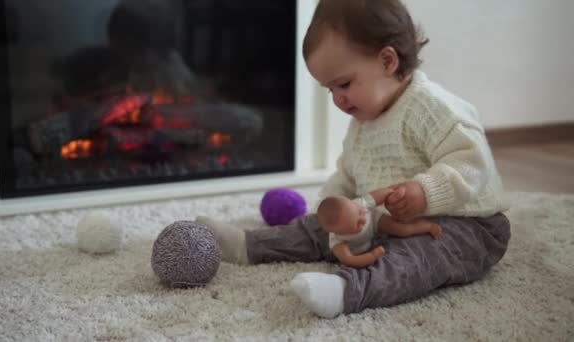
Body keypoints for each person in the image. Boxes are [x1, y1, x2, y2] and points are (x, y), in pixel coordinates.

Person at [196, 0, 510, 318]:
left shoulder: (433, 107)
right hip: (382, 220)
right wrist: (330, 208)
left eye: (343, 84)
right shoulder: (363, 122)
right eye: (328, 89)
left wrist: (425, 192)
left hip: (465, 227)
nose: (337, 99)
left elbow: (472, 162)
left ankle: (348, 290)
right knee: (317, 228)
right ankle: (248, 245)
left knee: (416, 258)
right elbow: (347, 173)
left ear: (388, 60)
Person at [318, 188, 442, 268]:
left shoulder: (358, 205)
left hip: (375, 221)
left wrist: (392, 193)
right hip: (364, 249)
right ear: (339, 232)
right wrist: (372, 256)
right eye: (357, 223)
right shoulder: (337, 242)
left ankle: (428, 226)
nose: (363, 218)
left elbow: (376, 197)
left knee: (403, 230)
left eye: (359, 212)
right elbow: (350, 260)